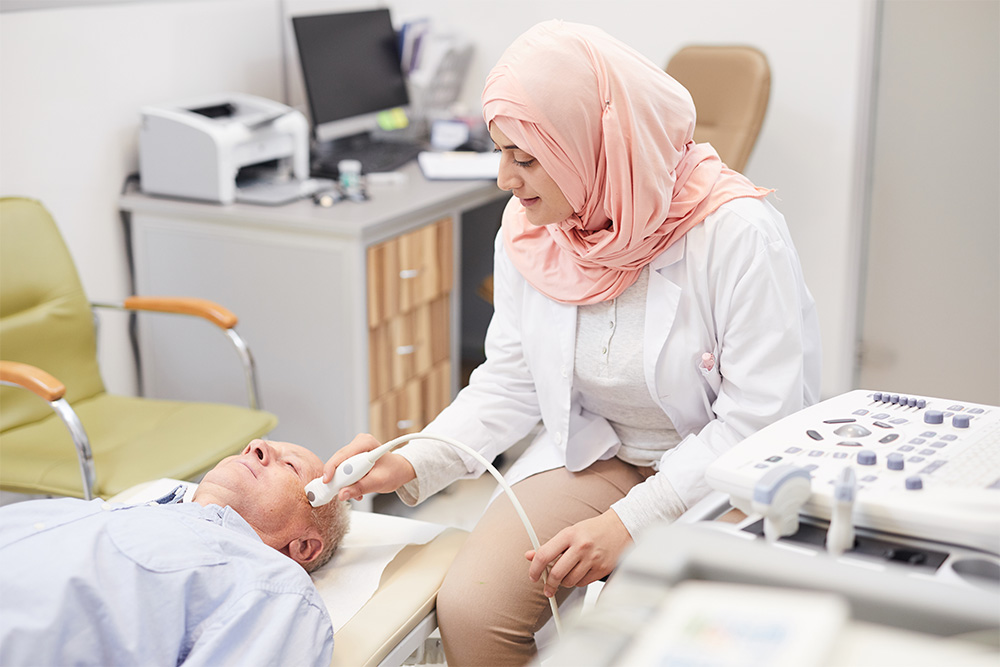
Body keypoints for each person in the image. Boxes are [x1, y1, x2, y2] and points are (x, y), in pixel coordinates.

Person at [323, 19, 821, 666]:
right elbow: (510, 381)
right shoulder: (535, 230)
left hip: (719, 475)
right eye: (499, 151)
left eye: (525, 158)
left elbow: (759, 421)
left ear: (596, 146)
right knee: (473, 609)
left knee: (628, 640)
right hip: (603, 450)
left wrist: (628, 525)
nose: (504, 179)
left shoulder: (736, 234)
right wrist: (411, 462)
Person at [0, 438, 351, 667]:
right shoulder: (110, 512)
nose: (256, 446)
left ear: (304, 546)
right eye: (258, 446)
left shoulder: (272, 586)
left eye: (290, 466)